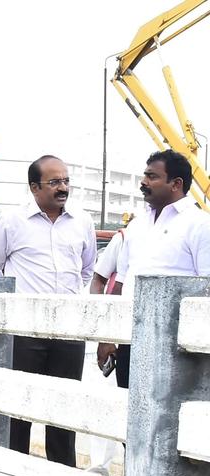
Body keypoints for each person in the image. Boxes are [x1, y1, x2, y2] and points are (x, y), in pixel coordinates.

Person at [0, 155, 97, 468]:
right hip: (24, 330)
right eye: (54, 182)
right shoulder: (11, 222)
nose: (63, 188)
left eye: (66, 181)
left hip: (70, 328)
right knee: (18, 408)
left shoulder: (82, 222)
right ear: (34, 187)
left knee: (63, 408)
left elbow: (86, 271)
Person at [93, 149, 210, 388]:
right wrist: (106, 337)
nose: (143, 182)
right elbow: (120, 285)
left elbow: (206, 291)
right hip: (131, 339)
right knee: (126, 411)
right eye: (144, 175)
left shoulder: (200, 225)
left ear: (176, 183)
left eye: (152, 176)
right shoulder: (136, 226)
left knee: (171, 419)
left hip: (176, 345)